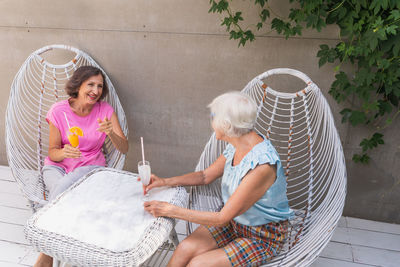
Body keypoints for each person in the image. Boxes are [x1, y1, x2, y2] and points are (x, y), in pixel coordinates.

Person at [144, 91, 293, 267]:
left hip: (261, 235)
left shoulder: (261, 167)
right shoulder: (237, 143)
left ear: (226, 125)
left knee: (197, 265)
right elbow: (205, 175)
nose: (211, 120)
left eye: (213, 116)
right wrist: (165, 181)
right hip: (234, 221)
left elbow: (222, 217)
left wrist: (170, 210)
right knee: (184, 249)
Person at [34, 66, 128, 267]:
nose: (96, 90)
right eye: (91, 85)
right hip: (57, 167)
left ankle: (46, 250)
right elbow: (52, 152)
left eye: (100, 86)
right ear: (78, 85)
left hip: (89, 170)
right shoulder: (58, 111)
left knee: (64, 193)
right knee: (65, 193)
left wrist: (111, 133)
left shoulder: (105, 111)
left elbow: (124, 147)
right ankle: (70, 251)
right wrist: (63, 152)